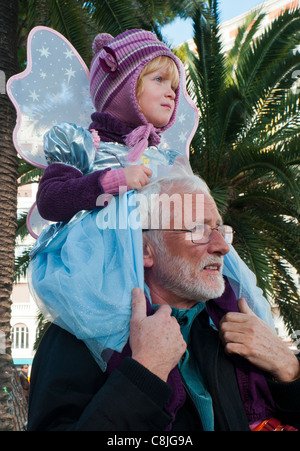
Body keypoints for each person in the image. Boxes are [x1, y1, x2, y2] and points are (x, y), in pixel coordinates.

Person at [29, 28, 273, 373]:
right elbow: (52, 201)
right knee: (121, 338)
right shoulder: (82, 142)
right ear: (121, 87)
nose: (172, 94)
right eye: (159, 79)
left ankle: (252, 394)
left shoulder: (167, 157)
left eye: (175, 86)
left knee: (231, 299)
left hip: (164, 265)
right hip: (103, 267)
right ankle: (141, 391)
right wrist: (111, 180)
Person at [27, 169, 300, 431]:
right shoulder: (83, 337)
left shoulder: (228, 325)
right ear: (146, 250)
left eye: (219, 228)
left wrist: (289, 369)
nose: (222, 246)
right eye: (198, 229)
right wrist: (145, 372)